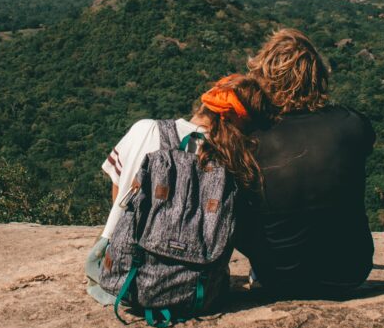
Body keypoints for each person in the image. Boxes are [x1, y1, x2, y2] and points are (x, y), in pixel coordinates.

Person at [85, 74, 268, 305]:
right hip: (197, 287)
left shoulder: (147, 130)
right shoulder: (236, 162)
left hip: (123, 279)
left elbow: (118, 192)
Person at [236, 28, 376, 297]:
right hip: (349, 272)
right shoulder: (353, 125)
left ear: (264, 78)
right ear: (319, 76)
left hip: (278, 276)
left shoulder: (253, 138)